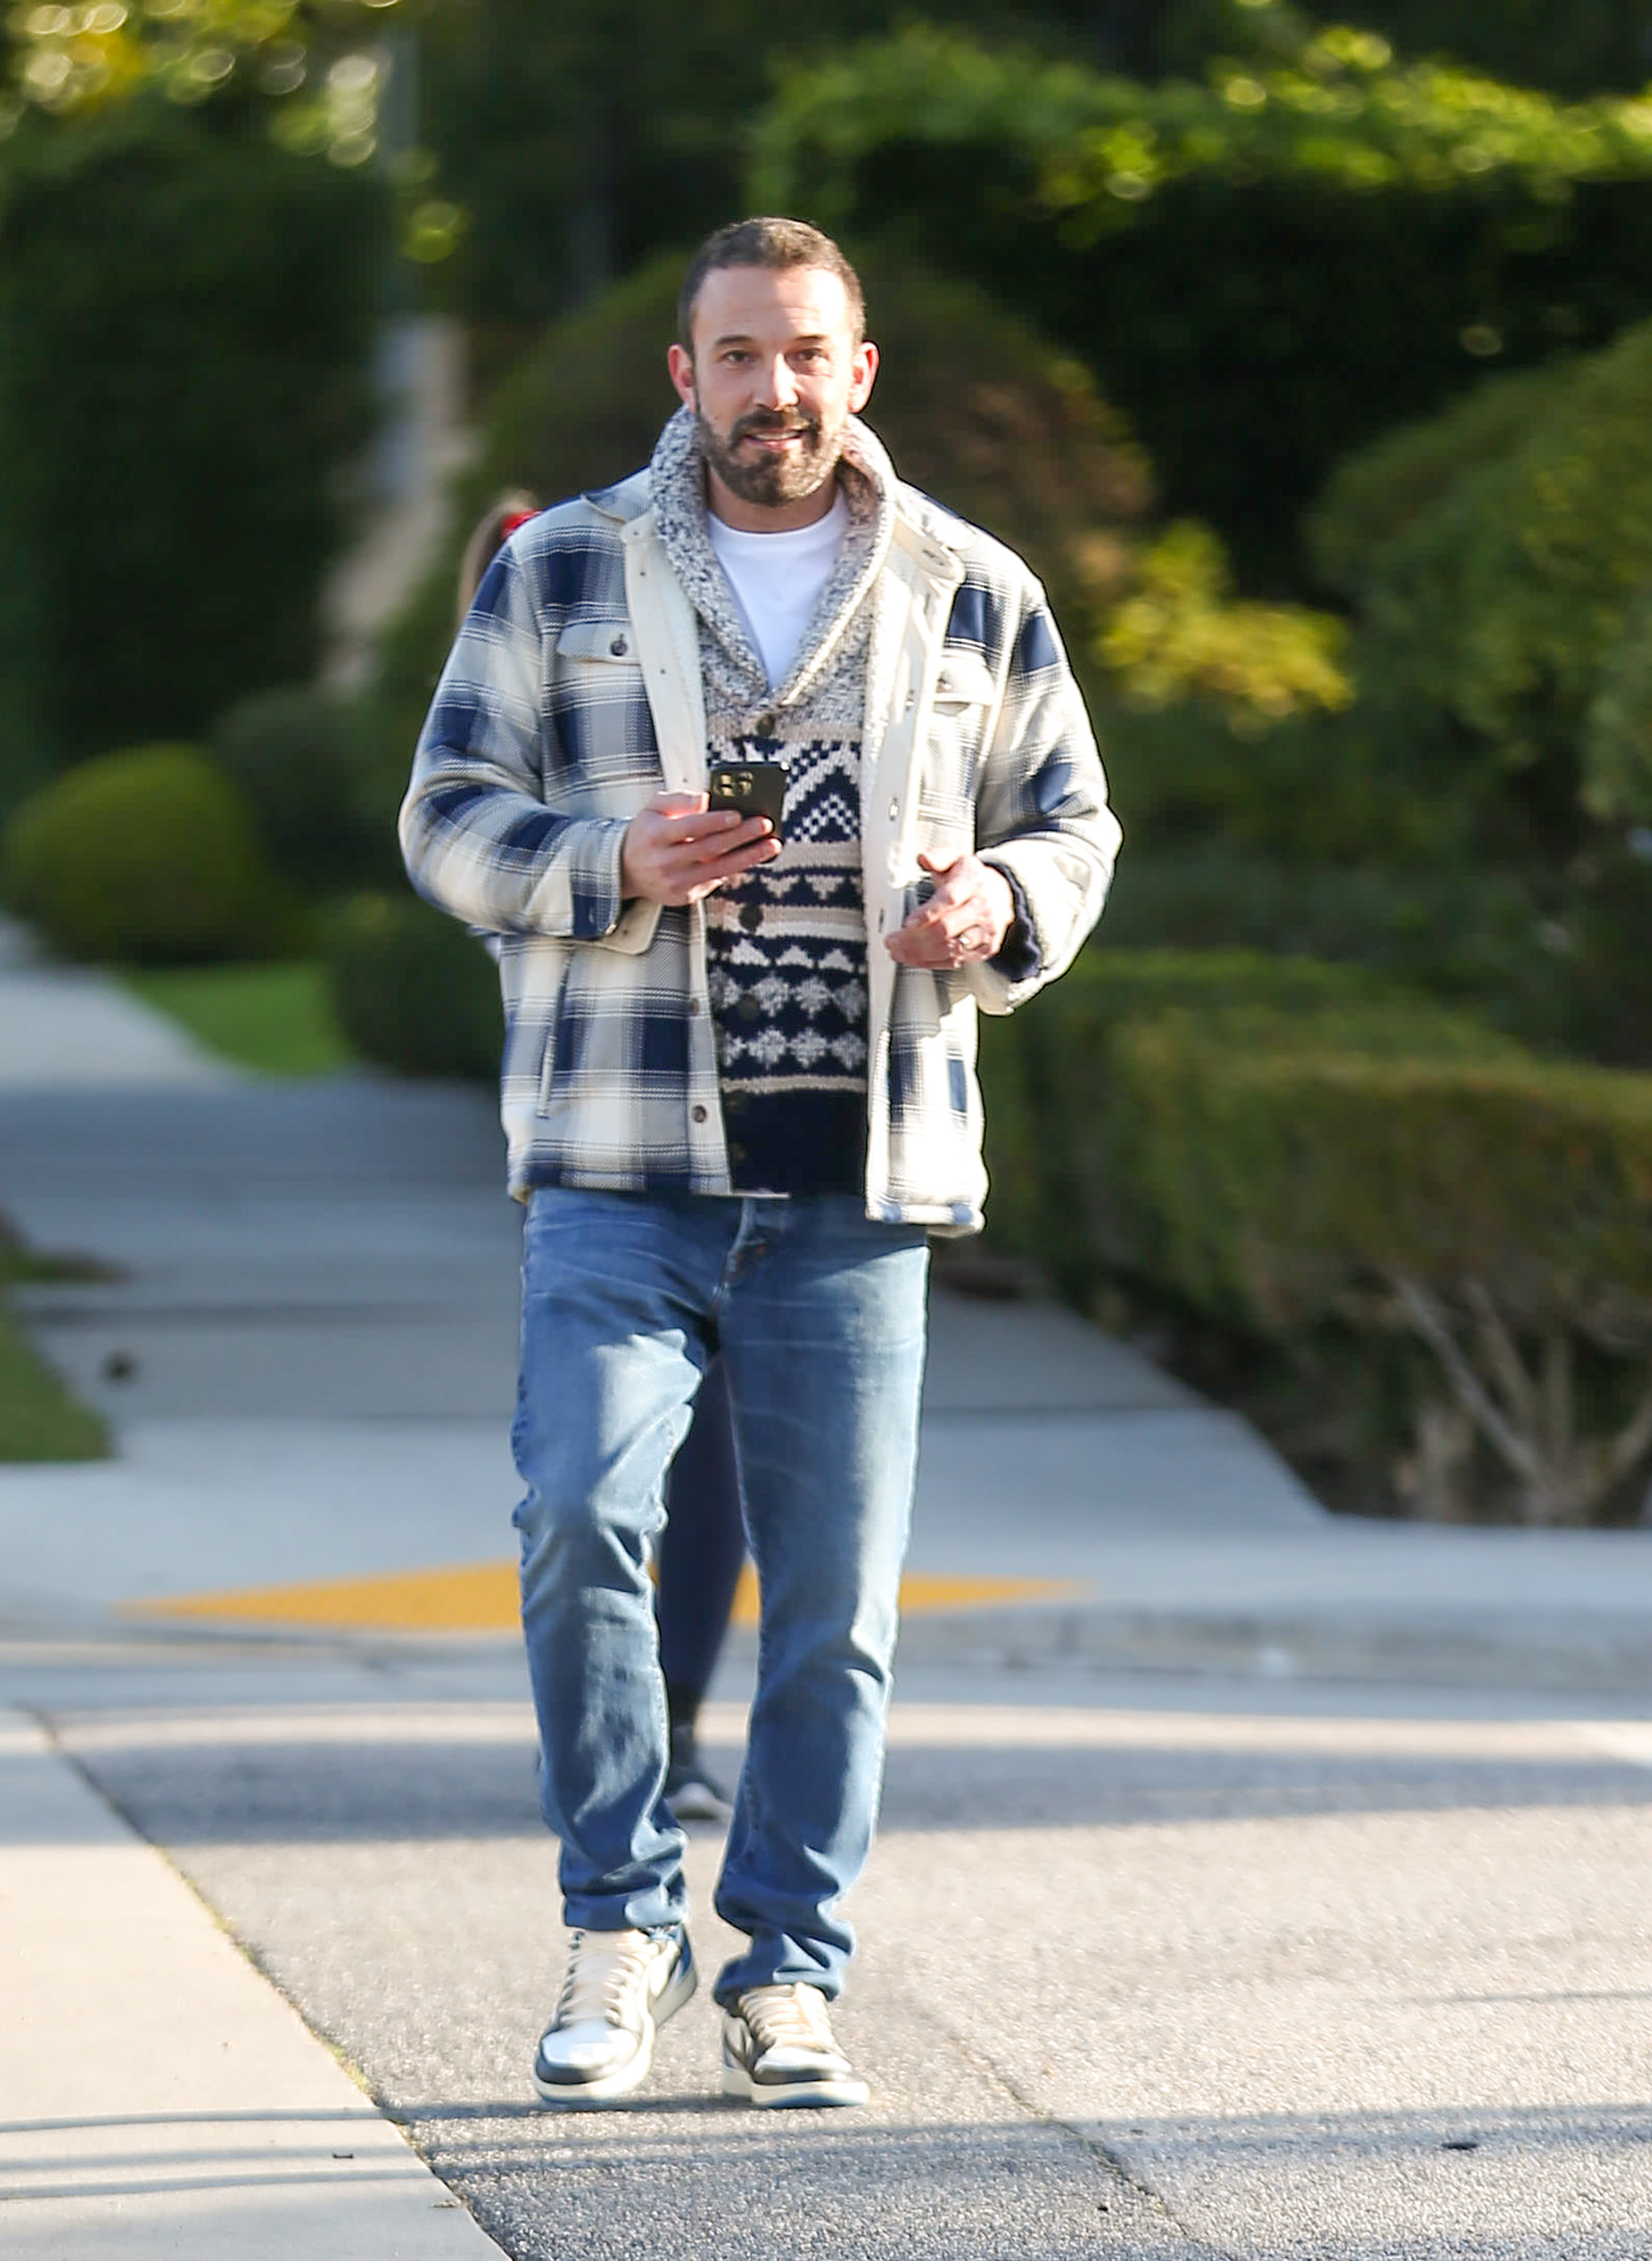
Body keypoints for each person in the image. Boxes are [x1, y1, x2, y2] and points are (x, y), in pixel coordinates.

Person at [403, 215, 1118, 2111]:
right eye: (737, 355)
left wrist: (996, 898)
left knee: (834, 1606)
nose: (772, 389)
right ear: (684, 376)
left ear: (856, 370)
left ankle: (788, 1966)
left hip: (854, 1182)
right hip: (618, 1162)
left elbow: (1070, 816)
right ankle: (616, 1923)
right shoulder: (560, 570)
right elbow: (445, 818)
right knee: (575, 1512)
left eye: (805, 352)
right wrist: (603, 864)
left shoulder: (968, 586)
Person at [457, 495, 750, 1829]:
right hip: (606, 1137)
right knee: (590, 1486)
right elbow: (466, 850)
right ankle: (622, 1757)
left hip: (787, 1135)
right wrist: (615, 860)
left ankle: (677, 1729)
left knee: (717, 1460)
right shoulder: (513, 697)